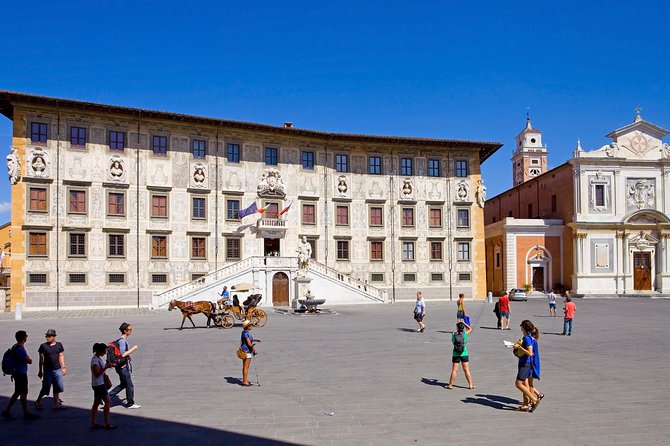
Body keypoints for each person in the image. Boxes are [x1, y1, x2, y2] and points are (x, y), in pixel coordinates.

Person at [1, 331, 39, 420]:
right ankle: (26, 413)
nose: (27, 337)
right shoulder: (20, 349)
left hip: (16, 373)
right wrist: (30, 359)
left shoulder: (15, 346)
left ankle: (6, 410)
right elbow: (29, 361)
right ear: (23, 338)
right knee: (24, 393)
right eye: (26, 336)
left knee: (17, 392)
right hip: (21, 374)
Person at [109, 322, 140, 409]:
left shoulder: (121, 340)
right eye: (130, 329)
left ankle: (106, 396)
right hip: (122, 367)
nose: (131, 331)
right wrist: (133, 349)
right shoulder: (122, 341)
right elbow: (123, 354)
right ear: (125, 331)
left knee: (123, 384)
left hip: (120, 366)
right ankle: (130, 403)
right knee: (129, 385)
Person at [35, 329, 67, 410]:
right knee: (46, 387)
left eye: (49, 336)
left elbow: (61, 355)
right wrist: (40, 371)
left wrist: (63, 367)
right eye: (46, 336)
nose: (47, 338)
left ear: (54, 337)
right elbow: (41, 360)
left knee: (57, 386)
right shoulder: (43, 346)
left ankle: (56, 404)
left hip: (57, 369)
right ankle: (38, 400)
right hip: (47, 370)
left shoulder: (59, 345)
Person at [513, 320, 540, 412]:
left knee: (518, 384)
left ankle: (534, 399)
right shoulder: (526, 337)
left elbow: (530, 353)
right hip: (524, 362)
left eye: (521, 325)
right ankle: (525, 404)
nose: (520, 326)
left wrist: (519, 348)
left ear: (523, 327)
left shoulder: (528, 338)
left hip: (526, 363)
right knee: (525, 383)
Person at [90, 343, 116, 429]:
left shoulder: (97, 359)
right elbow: (97, 373)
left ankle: (93, 422)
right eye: (104, 351)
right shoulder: (95, 361)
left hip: (98, 384)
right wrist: (105, 367)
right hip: (99, 384)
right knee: (107, 402)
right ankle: (107, 423)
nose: (105, 353)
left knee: (96, 403)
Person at [446, 321, 475, 390]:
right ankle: (470, 385)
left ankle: (450, 385)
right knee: (466, 370)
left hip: (456, 353)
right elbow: (470, 329)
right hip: (464, 353)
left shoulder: (453, 334)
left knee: (454, 370)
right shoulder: (465, 334)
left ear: (457, 328)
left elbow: (453, 342)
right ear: (463, 328)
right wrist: (464, 323)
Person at [239, 320, 260, 386]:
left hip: (243, 350)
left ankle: (244, 380)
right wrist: (253, 349)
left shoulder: (244, 332)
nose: (251, 326)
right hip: (247, 351)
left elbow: (247, 340)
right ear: (247, 326)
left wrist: (254, 340)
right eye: (250, 325)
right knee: (246, 367)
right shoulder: (246, 333)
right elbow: (249, 344)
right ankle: (245, 381)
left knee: (244, 366)